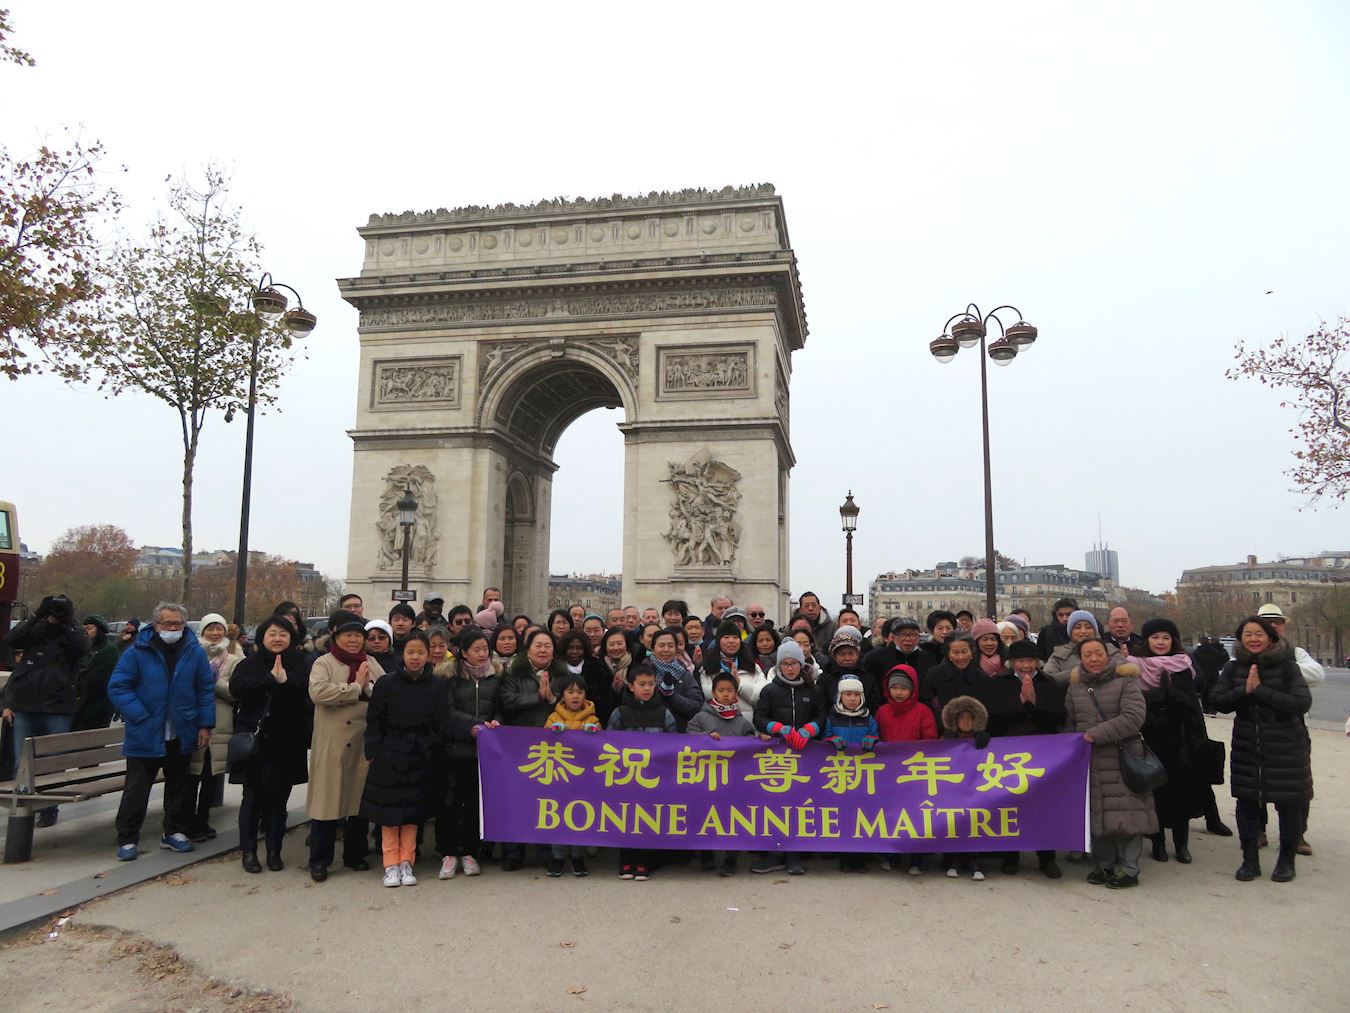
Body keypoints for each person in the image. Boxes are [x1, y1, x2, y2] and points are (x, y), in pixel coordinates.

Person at [107, 602, 213, 860]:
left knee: (178, 786)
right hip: (145, 731)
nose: (173, 628)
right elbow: (118, 687)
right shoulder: (137, 651)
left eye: (178, 624)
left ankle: (173, 831)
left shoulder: (194, 652)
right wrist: (139, 714)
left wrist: (204, 724)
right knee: (136, 789)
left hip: (181, 730)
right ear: (156, 625)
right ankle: (127, 838)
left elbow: (204, 690)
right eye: (168, 624)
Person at [1211, 616, 1312, 883]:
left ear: (1270, 637)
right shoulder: (1233, 668)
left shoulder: (1288, 666)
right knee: (1246, 804)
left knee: (1288, 805)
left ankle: (1286, 862)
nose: (1253, 639)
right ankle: (1250, 861)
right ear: (1240, 639)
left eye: (1259, 634)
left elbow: (1301, 703)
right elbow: (1217, 701)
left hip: (1286, 747)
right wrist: (1244, 691)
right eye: (1248, 634)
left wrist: (1261, 691)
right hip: (1247, 747)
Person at [1062, 637, 1155, 889]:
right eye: (1087, 655)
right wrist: (1069, 745)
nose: (1093, 659)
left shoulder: (1125, 681)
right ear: (1080, 659)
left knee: (1126, 814)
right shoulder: (1075, 687)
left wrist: (1095, 734)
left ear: (1107, 655)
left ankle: (1129, 868)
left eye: (1098, 653)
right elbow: (1069, 722)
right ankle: (1105, 864)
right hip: (1089, 760)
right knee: (1097, 813)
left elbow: (1133, 717)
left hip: (1122, 757)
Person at [362, 630, 448, 888]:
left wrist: (431, 747)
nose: (415, 657)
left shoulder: (437, 685)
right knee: (389, 814)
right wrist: (372, 751)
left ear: (428, 655)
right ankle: (390, 864)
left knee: (412, 813)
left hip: (422, 755)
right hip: (389, 754)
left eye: (421, 652)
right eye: (411, 652)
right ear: (403, 654)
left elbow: (441, 721)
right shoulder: (386, 683)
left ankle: (406, 861)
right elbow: (374, 720)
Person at [228, 615, 310, 873]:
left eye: (283, 634)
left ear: (291, 638)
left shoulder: (301, 663)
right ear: (262, 637)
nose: (277, 639)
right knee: (251, 800)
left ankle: (275, 851)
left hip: (287, 741)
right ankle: (249, 852)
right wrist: (269, 679)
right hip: (255, 742)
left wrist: (285, 682)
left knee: (279, 802)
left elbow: (307, 695)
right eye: (272, 633)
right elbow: (236, 689)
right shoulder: (249, 663)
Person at [306, 611, 382, 882]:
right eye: (347, 635)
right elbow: (318, 692)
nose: (353, 640)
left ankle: (355, 854)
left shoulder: (371, 662)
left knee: (358, 803)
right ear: (336, 637)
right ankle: (320, 859)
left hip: (362, 740)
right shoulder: (324, 662)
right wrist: (354, 688)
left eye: (358, 635)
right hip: (333, 742)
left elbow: (385, 692)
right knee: (327, 803)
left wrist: (369, 689)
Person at [2, 594, 90, 826]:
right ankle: (22, 807)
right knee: (22, 760)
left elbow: (84, 648)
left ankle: (49, 808)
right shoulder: (36, 630)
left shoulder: (71, 633)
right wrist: (36, 615)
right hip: (26, 704)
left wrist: (68, 621)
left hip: (58, 706)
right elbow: (11, 639)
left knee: (53, 761)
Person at [982, 640, 1066, 878]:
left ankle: (1047, 857)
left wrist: (1035, 703)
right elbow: (991, 717)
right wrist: (1019, 702)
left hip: (1042, 753)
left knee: (1044, 806)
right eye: (1021, 661)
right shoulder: (999, 683)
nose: (1026, 665)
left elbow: (1060, 715)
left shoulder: (1048, 682)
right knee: (1011, 806)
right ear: (1012, 663)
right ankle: (1011, 856)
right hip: (1009, 753)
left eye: (1030, 661)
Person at [1134, 618, 1208, 865]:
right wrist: (1157, 696)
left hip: (1179, 738)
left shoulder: (1182, 665)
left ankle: (1181, 845)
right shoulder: (1135, 666)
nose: (1160, 642)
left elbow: (1191, 702)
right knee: (1154, 793)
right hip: (1149, 737)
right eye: (1155, 637)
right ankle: (1158, 843)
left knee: (1179, 794)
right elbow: (1135, 702)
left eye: (1165, 638)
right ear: (1147, 641)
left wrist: (1171, 693)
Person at [1255, 602, 1322, 855]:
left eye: (1278, 622)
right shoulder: (1246, 651)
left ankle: (1297, 834)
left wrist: (1272, 671)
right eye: (1268, 622)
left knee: (1297, 785)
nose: (1274, 626)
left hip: (1292, 726)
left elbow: (1317, 675)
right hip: (1257, 725)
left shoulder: (1295, 652)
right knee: (1256, 783)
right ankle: (1258, 830)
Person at [750, 641, 821, 876]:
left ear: (801, 665)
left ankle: (794, 855)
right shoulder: (770, 690)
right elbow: (759, 717)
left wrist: (810, 729)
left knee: (799, 806)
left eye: (794, 663)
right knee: (775, 806)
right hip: (777, 759)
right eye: (785, 664)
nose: (790, 668)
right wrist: (777, 727)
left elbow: (822, 715)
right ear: (779, 666)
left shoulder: (812, 690)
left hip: (804, 755)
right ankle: (774, 853)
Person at [500, 629, 567, 871]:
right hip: (519, 745)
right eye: (538, 645)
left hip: (551, 748)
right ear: (528, 649)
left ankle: (546, 852)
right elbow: (506, 700)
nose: (542, 650)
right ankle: (513, 853)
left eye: (547, 646)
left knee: (547, 801)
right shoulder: (513, 672)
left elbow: (571, 703)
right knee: (516, 800)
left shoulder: (562, 674)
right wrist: (537, 697)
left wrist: (551, 700)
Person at [437, 627, 500, 880]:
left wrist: (495, 722)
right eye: (476, 650)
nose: (482, 654)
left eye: (485, 649)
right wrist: (471, 726)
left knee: (475, 804)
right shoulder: (449, 678)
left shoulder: (496, 677)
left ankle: (471, 851)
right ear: (463, 652)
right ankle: (449, 852)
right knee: (451, 803)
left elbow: (500, 707)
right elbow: (447, 711)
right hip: (455, 749)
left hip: (484, 752)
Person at [686, 670, 762, 876]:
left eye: (730, 690)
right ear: (713, 693)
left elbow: (750, 747)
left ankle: (731, 858)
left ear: (736, 694)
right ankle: (706, 854)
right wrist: (706, 736)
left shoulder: (742, 722)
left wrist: (761, 740)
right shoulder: (701, 717)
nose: (726, 694)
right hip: (706, 779)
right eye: (721, 690)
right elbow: (687, 739)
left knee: (732, 818)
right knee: (704, 816)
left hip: (733, 781)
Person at [607, 663, 675, 881]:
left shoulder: (664, 714)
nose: (647, 688)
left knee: (649, 818)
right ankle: (626, 859)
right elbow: (609, 745)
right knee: (626, 817)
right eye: (642, 684)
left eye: (651, 684)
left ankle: (644, 861)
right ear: (631, 686)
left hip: (654, 777)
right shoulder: (620, 713)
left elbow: (673, 746)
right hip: (627, 777)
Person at [188, 613, 244, 842]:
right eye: (209, 629)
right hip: (193, 723)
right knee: (190, 775)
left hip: (220, 725)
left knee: (210, 775)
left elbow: (236, 693)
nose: (214, 633)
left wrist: (215, 682)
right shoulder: (192, 655)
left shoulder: (233, 660)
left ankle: (202, 821)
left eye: (218, 629)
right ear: (202, 632)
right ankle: (184, 821)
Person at [543, 672, 601, 877]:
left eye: (579, 692)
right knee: (557, 814)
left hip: (583, 777)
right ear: (562, 695)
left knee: (579, 815)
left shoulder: (592, 718)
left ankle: (577, 856)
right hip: (559, 775)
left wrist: (595, 733)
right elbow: (542, 743)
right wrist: (552, 733)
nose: (575, 696)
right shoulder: (553, 717)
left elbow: (602, 747)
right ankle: (557, 856)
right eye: (570, 691)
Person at [939, 695, 990, 880]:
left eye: (970, 718)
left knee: (974, 824)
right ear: (954, 719)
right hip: (953, 790)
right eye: (962, 718)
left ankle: (974, 861)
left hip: (975, 788)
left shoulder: (983, 740)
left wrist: (984, 741)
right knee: (955, 823)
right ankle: (954, 860)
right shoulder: (946, 739)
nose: (966, 722)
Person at [699, 620, 766, 720]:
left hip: (747, 723)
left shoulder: (752, 666)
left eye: (735, 637)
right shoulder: (709, 667)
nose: (731, 641)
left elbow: (762, 695)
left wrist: (740, 685)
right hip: (716, 724)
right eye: (726, 637)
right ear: (718, 641)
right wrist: (727, 685)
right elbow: (706, 694)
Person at [815, 627, 882, 719]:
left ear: (857, 655)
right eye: (842, 654)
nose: (847, 658)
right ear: (834, 656)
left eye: (851, 653)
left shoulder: (868, 679)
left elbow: (874, 707)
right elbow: (820, 708)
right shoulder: (825, 679)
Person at [648, 627, 704, 730]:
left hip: (678, 731)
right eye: (661, 645)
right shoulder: (643, 671)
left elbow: (696, 705)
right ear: (653, 648)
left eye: (670, 646)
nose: (666, 650)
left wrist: (671, 695)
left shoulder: (684, 673)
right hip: (647, 730)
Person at [923, 635, 984, 725]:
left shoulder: (981, 677)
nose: (961, 657)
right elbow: (925, 702)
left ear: (971, 652)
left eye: (964, 652)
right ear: (948, 654)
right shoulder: (934, 674)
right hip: (940, 726)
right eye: (956, 652)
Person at [1044, 610, 1117, 684]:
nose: (1083, 631)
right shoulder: (1059, 655)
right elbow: (1046, 679)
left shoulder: (1110, 650)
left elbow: (1123, 668)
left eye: (1088, 627)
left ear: (1095, 631)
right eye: (1077, 627)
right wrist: (1077, 673)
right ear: (1070, 632)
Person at [74, 614, 118, 731]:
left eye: (89, 628)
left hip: (98, 704)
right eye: (84, 628)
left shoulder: (108, 650)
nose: (85, 632)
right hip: (80, 703)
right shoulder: (84, 647)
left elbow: (98, 678)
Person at [864, 617, 936, 686]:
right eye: (903, 635)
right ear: (893, 637)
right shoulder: (876, 659)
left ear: (918, 637)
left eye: (912, 635)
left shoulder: (928, 659)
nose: (908, 639)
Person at [596, 627, 632, 728]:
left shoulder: (636, 666)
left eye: (620, 643)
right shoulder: (596, 666)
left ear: (626, 644)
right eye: (611, 644)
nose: (616, 648)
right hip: (603, 719)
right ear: (605, 647)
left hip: (630, 720)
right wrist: (612, 688)